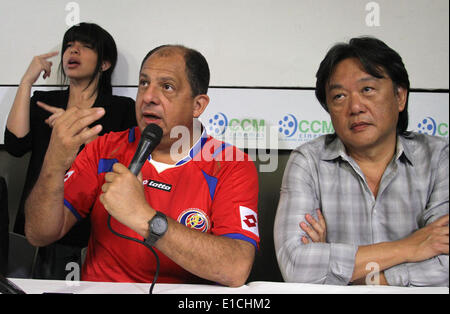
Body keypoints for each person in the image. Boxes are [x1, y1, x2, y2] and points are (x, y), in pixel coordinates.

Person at [24, 45, 259, 286]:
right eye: (144, 83)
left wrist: (144, 217)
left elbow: (236, 267)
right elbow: (39, 233)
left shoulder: (230, 165)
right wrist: (53, 163)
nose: (148, 97)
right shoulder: (104, 149)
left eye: (167, 87)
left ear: (197, 105)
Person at [274, 36, 449, 287]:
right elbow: (296, 266)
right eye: (339, 97)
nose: (355, 107)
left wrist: (357, 278)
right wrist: (410, 247)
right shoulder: (309, 162)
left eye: (367, 90)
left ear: (400, 97)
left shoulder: (439, 158)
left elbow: (445, 263)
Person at [4, 22, 136, 279]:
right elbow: (15, 145)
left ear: (105, 64)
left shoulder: (121, 108)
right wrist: (26, 82)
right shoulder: (46, 102)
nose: (73, 52)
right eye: (69, 46)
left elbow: (128, 166)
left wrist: (73, 132)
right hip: (40, 222)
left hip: (94, 231)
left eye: (85, 47)